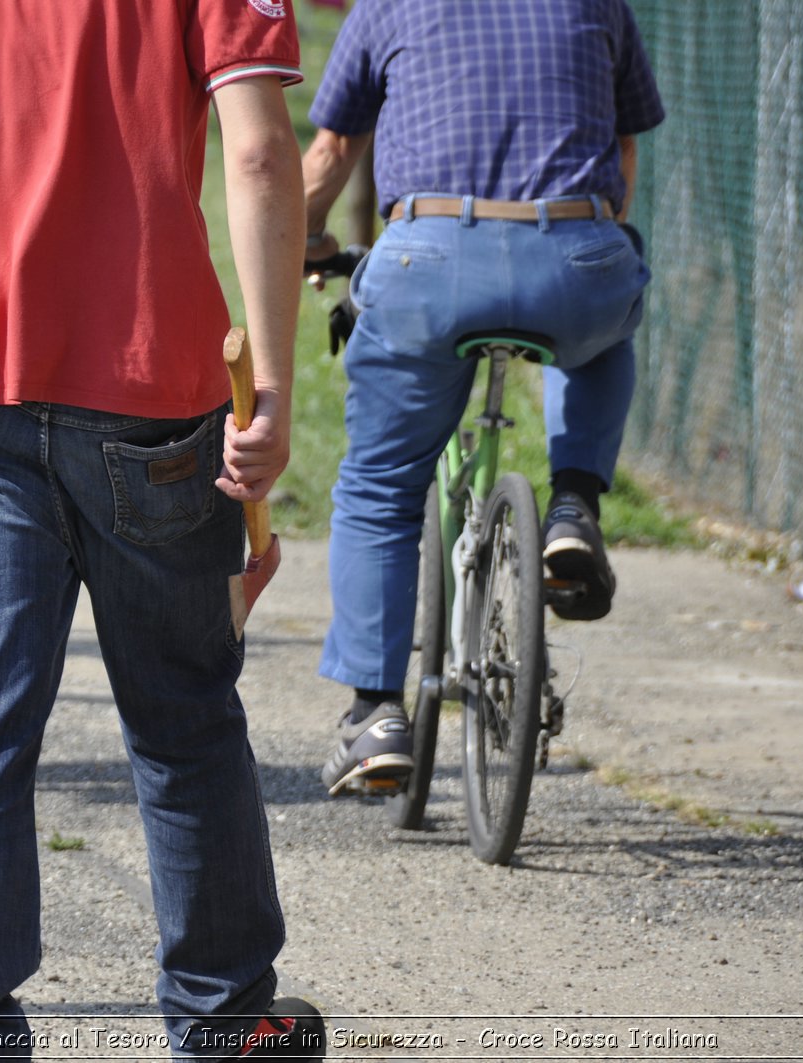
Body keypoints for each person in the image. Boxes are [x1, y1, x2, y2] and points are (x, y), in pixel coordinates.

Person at [0, 1, 324, 1058]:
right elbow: (258, 151)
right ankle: (227, 1017)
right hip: (149, 392)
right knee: (185, 716)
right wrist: (274, 391)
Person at [300, 0, 664, 794]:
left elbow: (330, 150)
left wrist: (307, 238)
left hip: (428, 261)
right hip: (574, 251)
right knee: (603, 322)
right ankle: (572, 506)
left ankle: (374, 714)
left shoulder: (389, 6)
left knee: (379, 488)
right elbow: (624, 147)